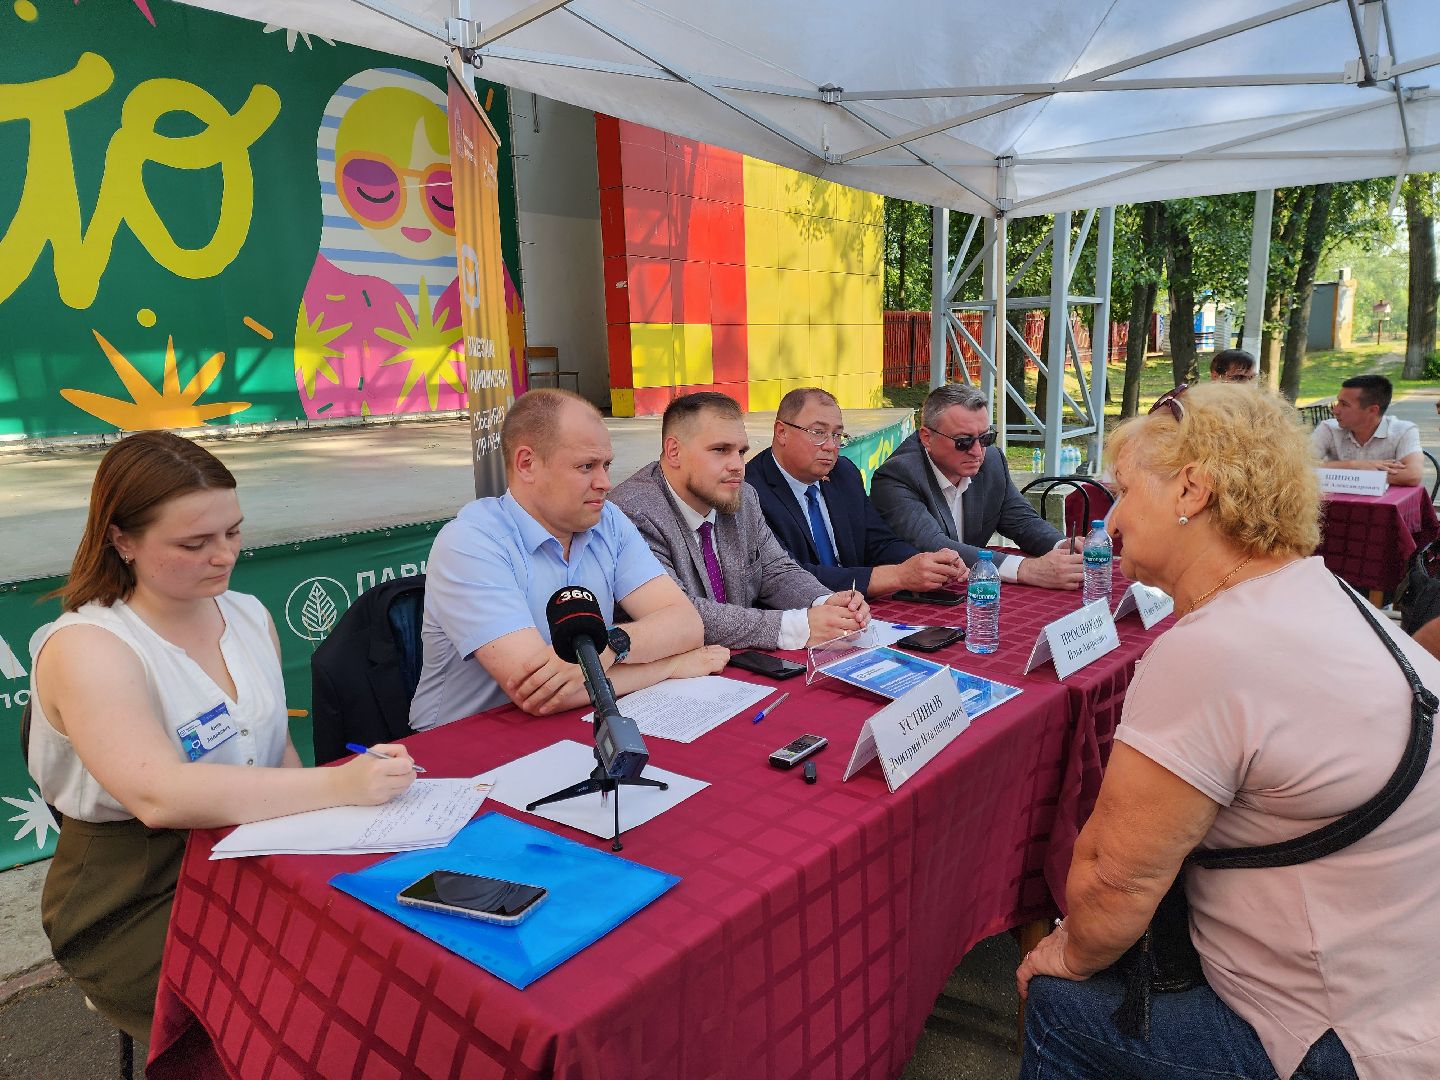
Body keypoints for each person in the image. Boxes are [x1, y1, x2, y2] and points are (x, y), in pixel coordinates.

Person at [1016, 384, 1440, 1079]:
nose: (1112, 519)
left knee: (1061, 1000)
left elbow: (1112, 883)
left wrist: (1057, 956)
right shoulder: (1321, 591)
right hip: (1406, 985)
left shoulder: (1214, 648)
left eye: (1123, 491)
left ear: (1192, 490)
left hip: (1342, 1036)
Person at [27, 431, 417, 1042]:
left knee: (398, 953)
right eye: (194, 542)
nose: (224, 556)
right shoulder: (89, 647)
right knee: (304, 1009)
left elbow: (277, 755)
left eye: (233, 532)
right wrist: (338, 785)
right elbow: (158, 797)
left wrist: (335, 826)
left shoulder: (246, 613)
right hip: (137, 891)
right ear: (121, 539)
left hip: (256, 847)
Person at [410, 388, 721, 730]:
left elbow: (686, 624)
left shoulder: (609, 520)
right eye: (586, 466)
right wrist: (670, 666)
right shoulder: (470, 542)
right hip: (462, 750)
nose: (604, 482)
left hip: (575, 724)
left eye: (606, 465)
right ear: (526, 464)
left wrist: (611, 646)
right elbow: (543, 695)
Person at [610, 391, 870, 649]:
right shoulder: (633, 512)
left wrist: (825, 603)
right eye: (721, 450)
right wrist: (798, 626)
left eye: (741, 452)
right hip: (664, 679)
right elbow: (680, 613)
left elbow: (776, 570)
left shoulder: (743, 495)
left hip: (737, 668)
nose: (737, 465)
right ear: (674, 451)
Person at [745, 387, 966, 597]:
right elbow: (790, 577)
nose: (831, 446)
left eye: (837, 435)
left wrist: (927, 564)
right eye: (818, 432)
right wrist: (898, 576)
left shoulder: (843, 473)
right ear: (781, 432)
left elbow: (877, 543)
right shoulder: (750, 491)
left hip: (859, 610)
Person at [870, 384, 1084, 589]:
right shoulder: (897, 476)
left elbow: (1022, 521)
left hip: (973, 591)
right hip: (914, 602)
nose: (977, 451)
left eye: (985, 437)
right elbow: (934, 545)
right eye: (963, 441)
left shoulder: (991, 459)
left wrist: (1061, 545)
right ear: (927, 437)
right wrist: (1026, 569)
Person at [1311, 374, 1422, 486]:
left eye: (1344, 404)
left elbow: (1413, 475)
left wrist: (1344, 473)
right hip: (1335, 502)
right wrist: (1354, 465)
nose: (1335, 410)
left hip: (1383, 503)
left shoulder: (1404, 431)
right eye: (1337, 402)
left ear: (1372, 410)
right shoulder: (1328, 428)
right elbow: (1300, 467)